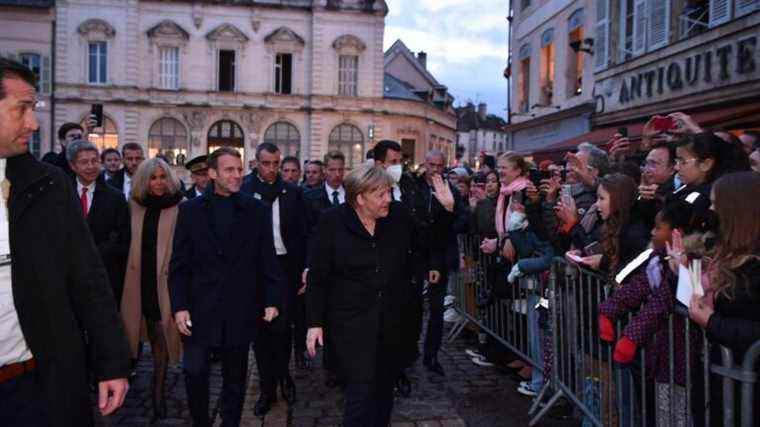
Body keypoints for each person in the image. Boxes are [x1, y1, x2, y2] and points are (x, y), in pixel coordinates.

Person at [0, 57, 130, 426]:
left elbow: (88, 277)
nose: (34, 123)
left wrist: (111, 362)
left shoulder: (49, 186)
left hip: (35, 385)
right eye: (22, 109)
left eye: (34, 108)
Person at [306, 164, 442, 426]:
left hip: (391, 322)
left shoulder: (398, 216)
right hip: (350, 324)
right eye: (381, 194)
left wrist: (446, 210)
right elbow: (318, 277)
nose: (388, 199)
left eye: (389, 192)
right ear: (360, 198)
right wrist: (314, 322)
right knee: (360, 393)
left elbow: (428, 239)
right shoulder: (332, 222)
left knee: (383, 392)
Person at [169, 147, 283, 427]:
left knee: (235, 377)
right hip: (200, 307)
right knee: (194, 372)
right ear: (212, 173)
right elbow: (179, 265)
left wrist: (271, 299)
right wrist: (180, 306)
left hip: (240, 308)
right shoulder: (189, 210)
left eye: (239, 169)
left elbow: (267, 260)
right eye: (229, 170)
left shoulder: (256, 210)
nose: (237, 175)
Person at [241, 143, 309, 415]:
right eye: (266, 163)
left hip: (285, 268)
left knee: (283, 330)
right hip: (254, 271)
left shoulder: (293, 193)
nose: (271, 169)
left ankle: (284, 377)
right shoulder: (244, 190)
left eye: (275, 164)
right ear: (256, 163)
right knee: (260, 334)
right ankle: (267, 389)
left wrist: (306, 269)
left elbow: (304, 234)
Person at [120, 158, 183, 422]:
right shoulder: (133, 206)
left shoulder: (181, 207)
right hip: (137, 281)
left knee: (160, 335)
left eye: (162, 177)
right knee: (133, 333)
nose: (158, 183)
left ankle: (158, 390)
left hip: (164, 283)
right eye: (153, 178)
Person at [401, 149, 466, 376]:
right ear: (425, 164)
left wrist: (449, 212)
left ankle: (432, 354)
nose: (435, 170)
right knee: (412, 306)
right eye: (432, 165)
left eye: (439, 166)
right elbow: (410, 220)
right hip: (416, 254)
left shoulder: (451, 190)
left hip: (440, 254)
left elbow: (462, 220)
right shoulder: (411, 186)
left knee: (437, 310)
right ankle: (410, 350)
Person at [67, 140, 130, 304]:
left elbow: (123, 238)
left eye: (95, 161)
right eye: (84, 162)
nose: (91, 167)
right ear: (73, 166)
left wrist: (95, 254)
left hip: (104, 276)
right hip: (68, 276)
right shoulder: (61, 195)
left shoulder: (115, 197)